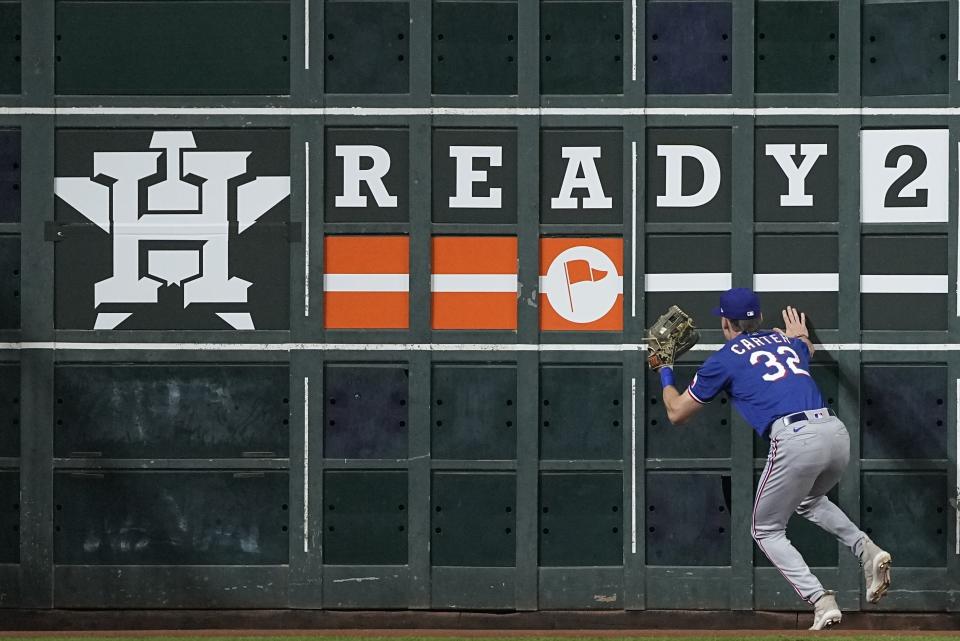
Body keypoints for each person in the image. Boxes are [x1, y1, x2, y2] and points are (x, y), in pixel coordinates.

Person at [655, 287, 892, 630]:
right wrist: (801, 336)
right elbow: (804, 349)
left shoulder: (724, 358)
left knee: (765, 529)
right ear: (760, 317)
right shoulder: (783, 340)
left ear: (725, 322)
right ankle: (866, 550)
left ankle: (821, 601)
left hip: (796, 439)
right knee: (809, 500)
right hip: (834, 432)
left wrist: (665, 369)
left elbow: (677, 412)